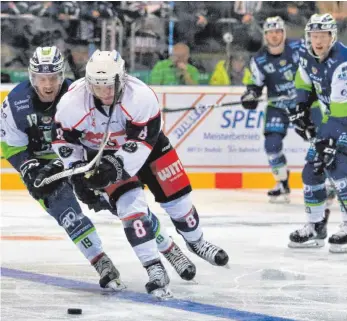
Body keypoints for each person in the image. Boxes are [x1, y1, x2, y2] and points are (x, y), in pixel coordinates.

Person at [0, 46, 196, 298]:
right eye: (41, 78)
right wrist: (28, 169)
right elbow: (10, 144)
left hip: (81, 159)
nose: (47, 85)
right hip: (42, 164)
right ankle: (101, 262)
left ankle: (169, 249)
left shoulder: (78, 94)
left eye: (53, 78)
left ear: (62, 76)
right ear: (31, 77)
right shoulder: (15, 103)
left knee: (125, 206)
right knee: (67, 214)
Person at [42, 49, 229, 294]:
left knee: (179, 203)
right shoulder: (71, 104)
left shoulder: (141, 96)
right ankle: (153, 266)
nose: (105, 92)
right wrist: (77, 170)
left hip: (149, 148)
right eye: (98, 86)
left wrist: (116, 167)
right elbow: (64, 142)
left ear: (123, 78)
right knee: (132, 209)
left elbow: (142, 144)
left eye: (110, 85)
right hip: (104, 154)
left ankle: (196, 242)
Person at [287, 13, 347, 253]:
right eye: (314, 36)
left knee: (339, 167)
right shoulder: (305, 55)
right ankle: (315, 226)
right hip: (330, 120)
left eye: (323, 35)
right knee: (312, 171)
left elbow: (341, 112)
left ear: (333, 36)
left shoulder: (342, 61)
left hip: (343, 119)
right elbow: (302, 83)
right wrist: (300, 108)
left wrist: (329, 140)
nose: (318, 41)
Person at [241, 16, 304, 203]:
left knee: (320, 141)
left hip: (304, 103)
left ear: (284, 33)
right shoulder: (259, 60)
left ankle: (330, 182)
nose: (274, 36)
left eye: (278, 31)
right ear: (265, 36)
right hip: (277, 106)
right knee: (272, 145)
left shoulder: (300, 48)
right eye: (270, 32)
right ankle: (282, 182)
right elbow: (254, 85)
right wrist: (250, 95)